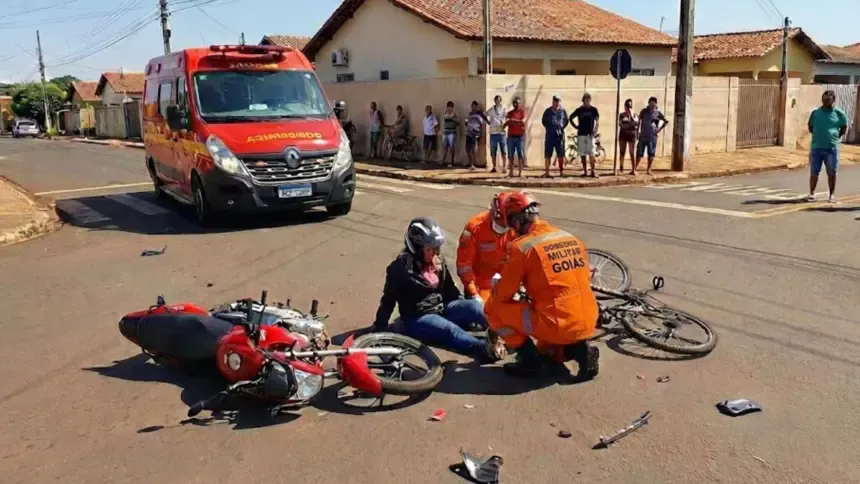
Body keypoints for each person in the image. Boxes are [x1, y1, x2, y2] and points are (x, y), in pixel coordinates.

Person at [484, 192, 600, 380]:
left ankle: (529, 362)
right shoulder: (570, 238)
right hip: (589, 319)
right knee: (547, 351)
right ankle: (582, 351)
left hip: (556, 324)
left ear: (518, 220)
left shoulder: (522, 247)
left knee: (493, 308)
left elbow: (504, 294)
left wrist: (497, 287)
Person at [373, 217, 504, 363]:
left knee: (475, 307)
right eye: (430, 249)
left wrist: (466, 308)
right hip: (419, 317)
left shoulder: (438, 261)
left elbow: (450, 291)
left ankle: (508, 335)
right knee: (450, 330)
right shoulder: (399, 270)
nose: (435, 253)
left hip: (443, 307)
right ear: (416, 248)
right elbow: (387, 302)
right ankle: (482, 349)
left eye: (437, 248)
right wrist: (379, 328)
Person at [456, 192, 514, 304]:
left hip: (507, 285)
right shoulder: (474, 228)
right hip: (480, 287)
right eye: (501, 224)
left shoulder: (515, 226)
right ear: (493, 213)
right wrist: (474, 294)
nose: (503, 228)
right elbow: (464, 266)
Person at [806, 90, 848, 203]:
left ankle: (832, 195)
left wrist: (835, 136)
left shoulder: (839, 114)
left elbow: (844, 127)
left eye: (828, 101)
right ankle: (812, 193)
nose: (825, 103)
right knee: (814, 171)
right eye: (824, 100)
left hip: (831, 148)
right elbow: (810, 126)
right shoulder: (816, 113)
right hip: (816, 147)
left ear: (833, 101)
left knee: (832, 172)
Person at [634, 97, 668, 176]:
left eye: (654, 103)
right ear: (649, 103)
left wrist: (659, 128)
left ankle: (649, 169)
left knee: (651, 154)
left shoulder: (658, 113)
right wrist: (637, 131)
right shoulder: (644, 111)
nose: (652, 105)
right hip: (643, 136)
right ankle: (634, 168)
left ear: (656, 104)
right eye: (651, 103)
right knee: (639, 153)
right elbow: (639, 121)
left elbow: (666, 121)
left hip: (652, 137)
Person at [569, 93, 600, 178]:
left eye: (588, 99)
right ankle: (585, 171)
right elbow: (570, 117)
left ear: (590, 100)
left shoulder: (594, 110)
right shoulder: (579, 110)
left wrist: (595, 130)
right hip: (581, 134)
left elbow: (597, 121)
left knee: (591, 153)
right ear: (583, 100)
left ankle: (593, 171)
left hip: (590, 134)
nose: (587, 101)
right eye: (585, 99)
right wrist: (576, 126)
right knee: (582, 154)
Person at [541, 95, 569, 178]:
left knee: (560, 154)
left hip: (559, 135)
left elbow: (566, 121)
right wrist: (550, 128)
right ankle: (547, 172)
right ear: (553, 102)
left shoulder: (563, 111)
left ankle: (561, 172)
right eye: (555, 101)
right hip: (550, 135)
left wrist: (561, 127)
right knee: (547, 154)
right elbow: (543, 121)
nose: (557, 103)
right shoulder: (548, 111)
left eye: (558, 101)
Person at [485, 95, 508, 173]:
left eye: (499, 100)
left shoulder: (503, 109)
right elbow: (484, 114)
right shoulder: (491, 110)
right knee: (493, 151)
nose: (498, 101)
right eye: (496, 100)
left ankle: (504, 167)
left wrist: (504, 124)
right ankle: (494, 167)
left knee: (503, 151)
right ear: (494, 101)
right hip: (493, 133)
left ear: (501, 101)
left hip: (501, 133)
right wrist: (488, 123)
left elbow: (507, 118)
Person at [505, 96, 527, 177]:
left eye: (517, 102)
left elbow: (523, 122)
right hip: (511, 136)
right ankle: (511, 172)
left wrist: (512, 121)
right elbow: (506, 122)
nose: (516, 104)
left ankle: (520, 173)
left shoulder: (522, 112)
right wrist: (514, 122)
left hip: (519, 137)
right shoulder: (510, 113)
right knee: (510, 155)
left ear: (519, 103)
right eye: (514, 103)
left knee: (520, 154)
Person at [618, 99, 637, 175]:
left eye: (630, 106)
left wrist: (631, 116)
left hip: (632, 135)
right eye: (627, 106)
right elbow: (621, 124)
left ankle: (633, 169)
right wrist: (629, 125)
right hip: (623, 135)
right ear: (625, 106)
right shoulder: (622, 115)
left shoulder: (634, 115)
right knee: (622, 152)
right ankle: (621, 167)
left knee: (632, 152)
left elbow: (636, 124)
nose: (628, 108)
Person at [465, 101, 485, 170]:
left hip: (475, 133)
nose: (473, 107)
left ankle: (473, 164)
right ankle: (470, 163)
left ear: (476, 107)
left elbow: (482, 125)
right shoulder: (470, 114)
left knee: (473, 149)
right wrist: (466, 123)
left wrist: (482, 135)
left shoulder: (479, 115)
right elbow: (467, 123)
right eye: (472, 106)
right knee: (467, 149)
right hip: (468, 133)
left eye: (475, 106)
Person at [441, 101, 459, 166]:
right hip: (446, 131)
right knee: (445, 147)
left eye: (451, 107)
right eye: (449, 107)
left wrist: (453, 120)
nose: (450, 108)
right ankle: (443, 160)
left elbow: (458, 123)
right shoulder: (445, 113)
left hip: (452, 131)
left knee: (452, 147)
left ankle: (452, 161)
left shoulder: (454, 114)